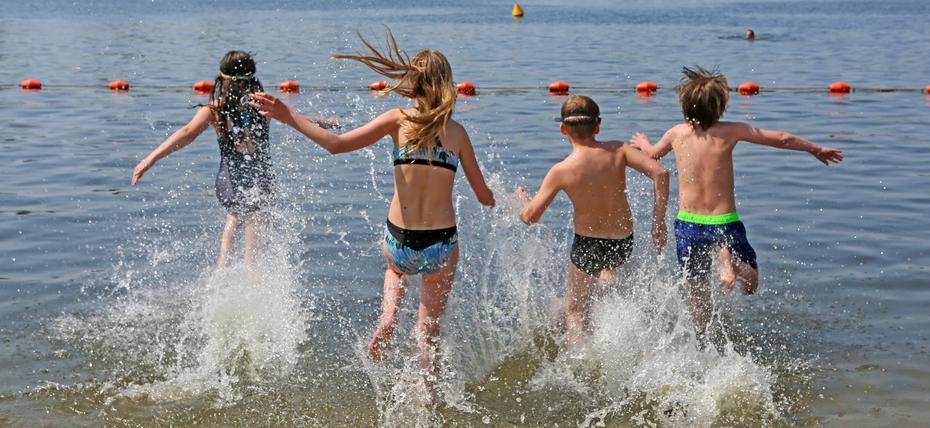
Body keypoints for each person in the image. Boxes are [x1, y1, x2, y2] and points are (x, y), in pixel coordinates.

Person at [250, 31, 495, 386]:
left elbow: (336, 144)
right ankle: (427, 388)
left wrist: (289, 115)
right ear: (446, 84)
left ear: (413, 83)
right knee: (428, 333)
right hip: (441, 244)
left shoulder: (398, 119)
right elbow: (484, 196)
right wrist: (509, 197)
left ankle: (388, 317)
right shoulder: (457, 133)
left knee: (395, 271)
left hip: (400, 242)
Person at [630, 66, 843, 337]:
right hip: (723, 222)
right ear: (720, 106)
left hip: (688, 224)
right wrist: (815, 148)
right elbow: (781, 139)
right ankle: (728, 259)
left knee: (696, 291)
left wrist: (643, 142)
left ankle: (702, 340)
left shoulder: (676, 133)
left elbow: (652, 155)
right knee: (750, 284)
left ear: (685, 105)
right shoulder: (731, 131)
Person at [518, 95, 669, 347]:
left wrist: (522, 202)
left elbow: (530, 217)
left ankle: (578, 360)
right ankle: (608, 296)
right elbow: (661, 173)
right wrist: (658, 222)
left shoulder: (561, 170)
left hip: (587, 245)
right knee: (605, 275)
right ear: (598, 127)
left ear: (563, 130)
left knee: (575, 312)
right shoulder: (619, 150)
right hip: (622, 242)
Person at [132, 51, 286, 269]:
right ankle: (255, 279)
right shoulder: (263, 105)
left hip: (229, 180)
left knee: (234, 215)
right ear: (252, 77)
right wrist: (324, 123)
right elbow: (294, 119)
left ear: (222, 78)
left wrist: (150, 159)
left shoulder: (216, 108)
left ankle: (220, 275)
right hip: (261, 180)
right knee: (256, 224)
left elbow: (187, 133)